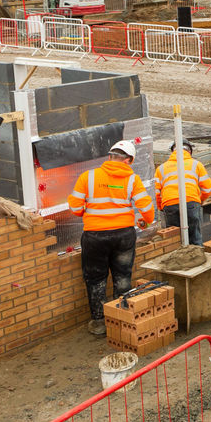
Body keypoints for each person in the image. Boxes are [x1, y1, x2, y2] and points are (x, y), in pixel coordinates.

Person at [68, 140, 153, 336]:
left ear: (110, 157)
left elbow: (74, 208)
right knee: (122, 275)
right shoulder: (132, 180)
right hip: (124, 235)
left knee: (96, 279)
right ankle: (121, 320)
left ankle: (99, 323)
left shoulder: (88, 177)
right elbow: (147, 209)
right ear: (129, 160)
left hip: (94, 237)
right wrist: (145, 222)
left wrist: (89, 214)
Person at [154, 140, 211, 246]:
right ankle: (198, 258)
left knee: (174, 239)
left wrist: (161, 207)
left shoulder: (161, 168)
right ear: (189, 151)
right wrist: (199, 200)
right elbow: (208, 189)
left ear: (172, 151)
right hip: (191, 202)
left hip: (169, 204)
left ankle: (178, 259)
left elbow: (156, 193)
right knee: (195, 236)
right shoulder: (196, 165)